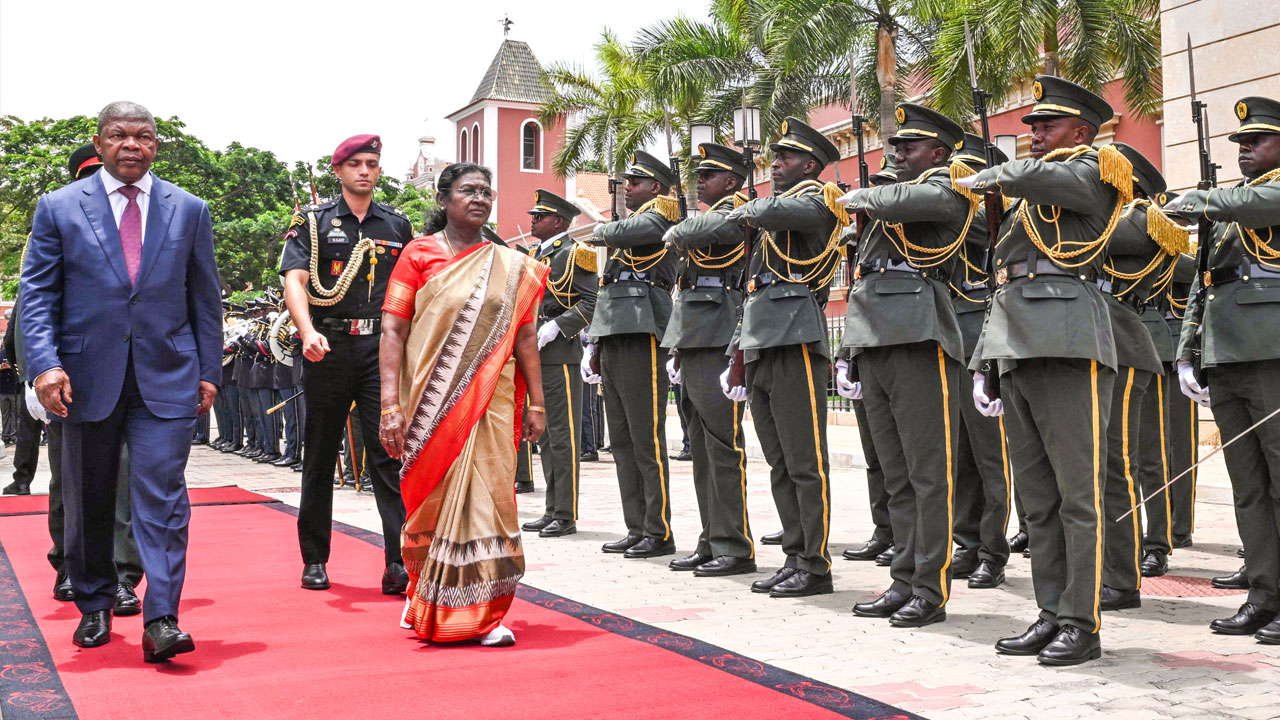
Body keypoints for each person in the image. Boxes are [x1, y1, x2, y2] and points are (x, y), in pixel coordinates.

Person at [21, 101, 222, 662]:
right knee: (88, 496)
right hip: (84, 379)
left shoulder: (189, 210)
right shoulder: (58, 208)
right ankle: (93, 604)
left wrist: (209, 371)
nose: (131, 144)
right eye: (119, 135)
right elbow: (38, 296)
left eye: (144, 136)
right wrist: (43, 364)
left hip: (168, 377)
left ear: (156, 145)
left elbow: (205, 299)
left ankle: (162, 618)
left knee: (162, 498)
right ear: (100, 141)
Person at [962, 76, 1130, 665]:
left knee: (1076, 495)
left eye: (1047, 124)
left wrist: (999, 172)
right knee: (1037, 499)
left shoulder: (1096, 169)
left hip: (1067, 339)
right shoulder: (1028, 200)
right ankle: (1051, 611)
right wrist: (987, 359)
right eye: (1031, 125)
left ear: (1082, 130)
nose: (1034, 134)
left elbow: (1070, 184)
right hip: (1017, 346)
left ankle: (1081, 624)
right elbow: (1001, 284)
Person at [378, 163, 548, 645]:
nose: (479, 198)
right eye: (467, 191)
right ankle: (425, 596)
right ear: (443, 198)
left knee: (487, 499)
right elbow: (393, 329)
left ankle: (478, 613)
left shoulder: (509, 263)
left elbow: (527, 335)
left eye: (486, 192)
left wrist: (537, 402)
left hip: (490, 403)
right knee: (430, 499)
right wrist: (390, 405)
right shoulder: (419, 255)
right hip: (429, 405)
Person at [837, 104, 967, 627]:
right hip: (876, 335)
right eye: (895, 148)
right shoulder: (890, 202)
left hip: (919, 332)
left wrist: (867, 195)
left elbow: (919, 200)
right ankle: (904, 577)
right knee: (896, 474)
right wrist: (848, 350)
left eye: (907, 148)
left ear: (937, 153)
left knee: (927, 472)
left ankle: (930, 589)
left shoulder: (946, 187)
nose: (897, 156)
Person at [280, 134, 415, 594]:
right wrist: (306, 330)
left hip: (380, 352)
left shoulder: (397, 226)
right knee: (320, 454)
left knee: (388, 453)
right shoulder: (314, 223)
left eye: (372, 163)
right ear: (338, 170)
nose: (364, 171)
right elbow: (296, 282)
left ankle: (398, 560)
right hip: (329, 348)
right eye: (355, 163)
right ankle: (314, 558)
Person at [1170, 96, 1280, 643]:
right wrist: (1189, 348)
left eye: (1256, 140)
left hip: (1273, 353)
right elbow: (1206, 282)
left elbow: (1257, 205)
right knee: (1249, 485)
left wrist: (1205, 199)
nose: (1245, 150)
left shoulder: (1258, 198)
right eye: (1240, 142)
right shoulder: (1232, 207)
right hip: (1229, 353)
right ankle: (1263, 594)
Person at [724, 116, 848, 598]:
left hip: (796, 334)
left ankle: (815, 564)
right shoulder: (770, 214)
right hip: (761, 339)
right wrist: (737, 351)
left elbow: (783, 215)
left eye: (786, 158)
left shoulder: (817, 200)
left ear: (811, 165)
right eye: (774, 157)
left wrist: (750, 210)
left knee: (804, 459)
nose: (775, 165)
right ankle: (795, 554)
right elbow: (751, 289)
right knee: (778, 460)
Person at [1096, 143, 1187, 612]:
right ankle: (1112, 561)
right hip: (1088, 343)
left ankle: (1149, 548)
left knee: (1131, 461)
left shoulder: (1140, 222)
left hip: (1129, 345)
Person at [661, 142, 756, 577]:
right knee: (699, 446)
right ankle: (711, 537)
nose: (699, 181)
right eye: (698, 174)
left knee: (721, 446)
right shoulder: (708, 217)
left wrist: (680, 228)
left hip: (719, 331)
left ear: (732, 182)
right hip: (695, 335)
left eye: (709, 175)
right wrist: (678, 345)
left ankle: (734, 545)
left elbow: (695, 233)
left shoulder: (737, 212)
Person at [584, 151, 680, 559]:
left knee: (646, 438)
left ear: (655, 188)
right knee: (621, 440)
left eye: (635, 183)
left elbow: (619, 232)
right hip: (616, 332)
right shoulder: (627, 228)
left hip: (643, 330)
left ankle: (658, 530)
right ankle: (636, 525)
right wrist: (596, 343)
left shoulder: (660, 218)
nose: (628, 189)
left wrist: (605, 230)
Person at [944, 134, 1012, 590]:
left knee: (990, 455)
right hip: (948, 332)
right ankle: (965, 543)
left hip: (981, 332)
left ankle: (992, 550)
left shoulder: (993, 220)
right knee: (958, 455)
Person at [519, 189, 597, 539]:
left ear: (560, 222)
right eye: (534, 214)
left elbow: (593, 301)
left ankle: (565, 514)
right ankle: (552, 507)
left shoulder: (575, 253)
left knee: (562, 436)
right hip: (534, 354)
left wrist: (556, 328)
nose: (533, 220)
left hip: (559, 354)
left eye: (540, 215)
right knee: (546, 437)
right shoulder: (537, 254)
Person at [843, 154, 899, 567]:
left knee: (971, 460)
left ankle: (980, 544)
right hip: (868, 341)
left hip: (909, 339)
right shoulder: (867, 238)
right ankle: (887, 530)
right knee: (877, 454)